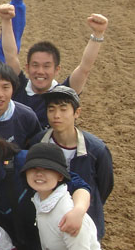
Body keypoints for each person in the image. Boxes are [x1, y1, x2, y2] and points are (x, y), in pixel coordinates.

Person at [22, 143, 114, 250]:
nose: (39, 174)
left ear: (60, 176)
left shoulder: (67, 213)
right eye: (33, 168)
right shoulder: (41, 201)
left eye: (47, 169)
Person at [33, 87, 113, 239]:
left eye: (63, 109)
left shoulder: (97, 150)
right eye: (51, 109)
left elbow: (104, 186)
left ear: (77, 113)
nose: (56, 115)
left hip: (85, 223)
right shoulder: (37, 143)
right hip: (48, 223)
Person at [8, 15, 109, 127]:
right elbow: (10, 55)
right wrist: (6, 20)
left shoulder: (64, 93)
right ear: (27, 68)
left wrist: (98, 34)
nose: (40, 71)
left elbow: (84, 68)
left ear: (57, 70)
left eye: (46, 66)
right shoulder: (19, 88)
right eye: (35, 65)